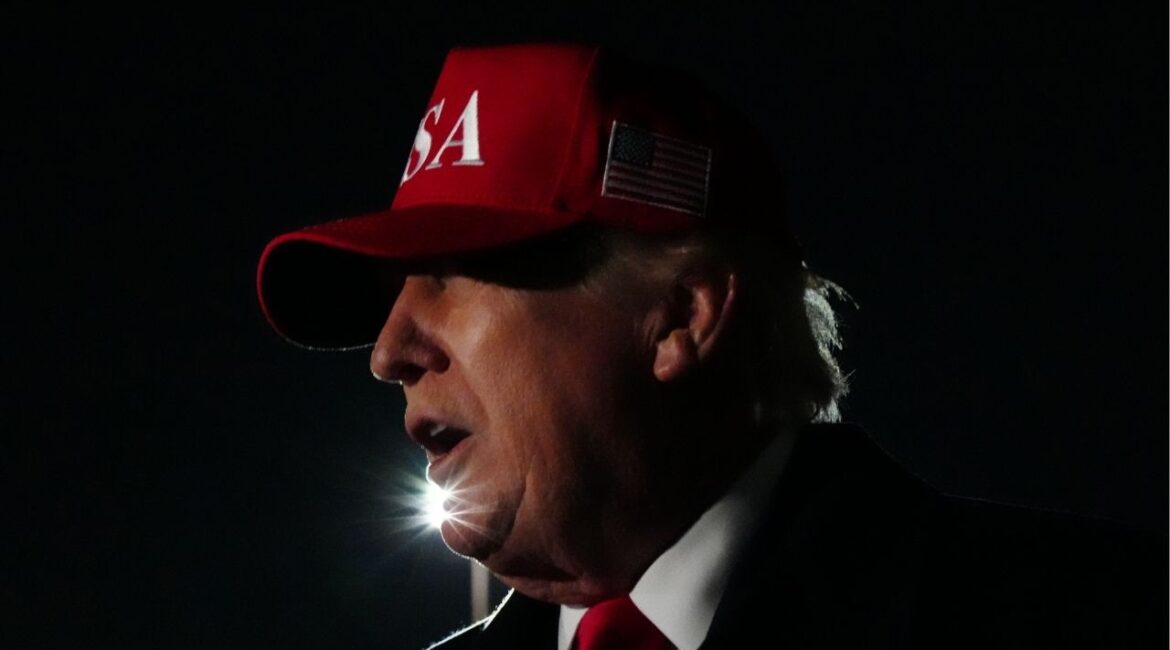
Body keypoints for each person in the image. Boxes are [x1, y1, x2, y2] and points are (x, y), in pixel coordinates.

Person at [257, 43, 1163, 649]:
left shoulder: (1101, 615)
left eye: (453, 272)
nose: (388, 352)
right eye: (391, 299)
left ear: (685, 317)